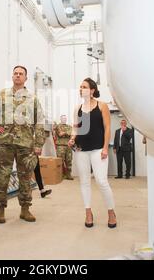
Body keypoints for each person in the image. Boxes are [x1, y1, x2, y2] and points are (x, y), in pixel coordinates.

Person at [0, 66, 46, 223]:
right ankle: (0, 210)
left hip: (26, 144)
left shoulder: (32, 98)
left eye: (21, 74)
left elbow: (39, 121)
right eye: (15, 73)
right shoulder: (1, 94)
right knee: (2, 176)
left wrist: (39, 143)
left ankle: (25, 209)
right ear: (12, 76)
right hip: (4, 142)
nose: (18, 76)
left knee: (25, 177)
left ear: (26, 78)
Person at [68, 78, 117, 229]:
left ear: (92, 90)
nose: (81, 89)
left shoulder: (102, 106)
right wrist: (72, 138)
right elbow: (76, 128)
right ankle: (88, 212)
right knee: (84, 182)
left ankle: (111, 212)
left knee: (102, 181)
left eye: (84, 87)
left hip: (97, 149)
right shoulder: (78, 108)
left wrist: (104, 148)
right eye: (80, 86)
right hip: (81, 150)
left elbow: (107, 128)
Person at [53, 115, 74, 180]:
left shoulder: (69, 126)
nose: (64, 119)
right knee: (60, 161)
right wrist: (67, 133)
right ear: (60, 119)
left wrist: (65, 133)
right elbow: (60, 134)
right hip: (60, 146)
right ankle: (60, 175)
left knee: (69, 160)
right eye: (63, 118)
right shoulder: (58, 126)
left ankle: (68, 175)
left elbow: (72, 134)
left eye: (65, 118)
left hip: (68, 146)